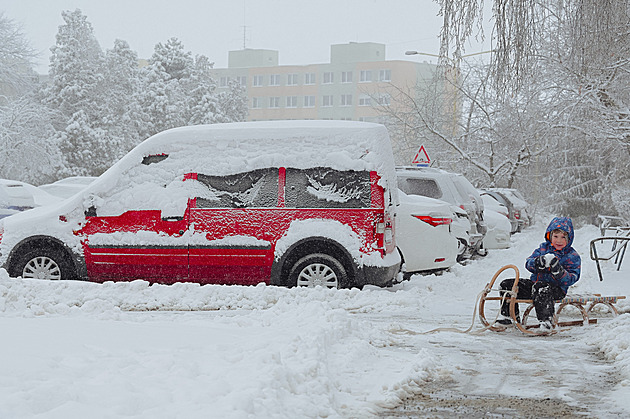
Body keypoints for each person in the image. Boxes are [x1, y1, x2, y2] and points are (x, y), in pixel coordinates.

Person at [497, 217, 581, 331]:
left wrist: (559, 272)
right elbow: (528, 263)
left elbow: (573, 277)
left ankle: (546, 321)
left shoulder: (571, 256)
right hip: (535, 285)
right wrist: (538, 262)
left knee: (541, 287)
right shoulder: (543, 248)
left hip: (556, 289)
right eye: (556, 237)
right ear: (550, 236)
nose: (559, 241)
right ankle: (509, 316)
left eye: (563, 237)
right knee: (507, 285)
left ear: (569, 239)